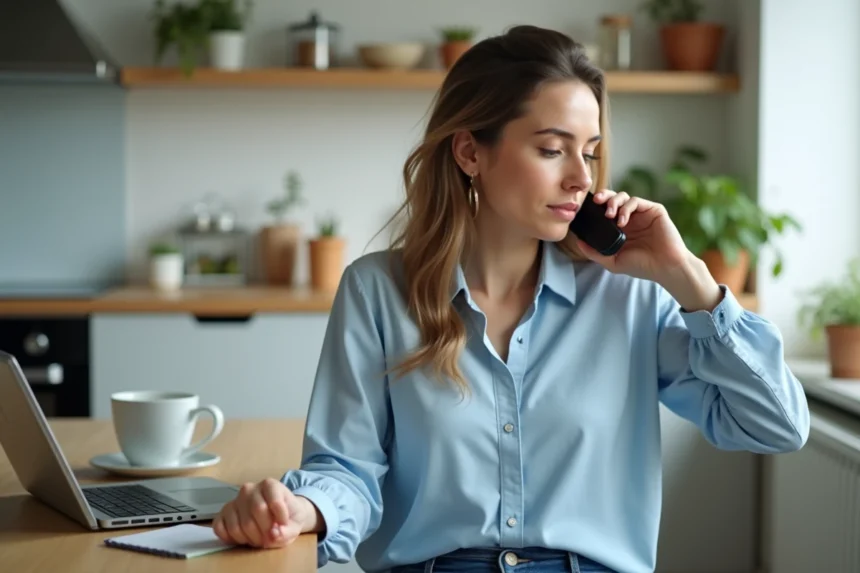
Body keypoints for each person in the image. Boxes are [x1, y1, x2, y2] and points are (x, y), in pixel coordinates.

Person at [212, 24, 810, 573]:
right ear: (470, 152)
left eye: (591, 152)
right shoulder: (378, 292)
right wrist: (299, 510)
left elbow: (777, 425)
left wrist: (690, 279)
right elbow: (346, 472)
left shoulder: (631, 298)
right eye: (552, 149)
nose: (582, 177)